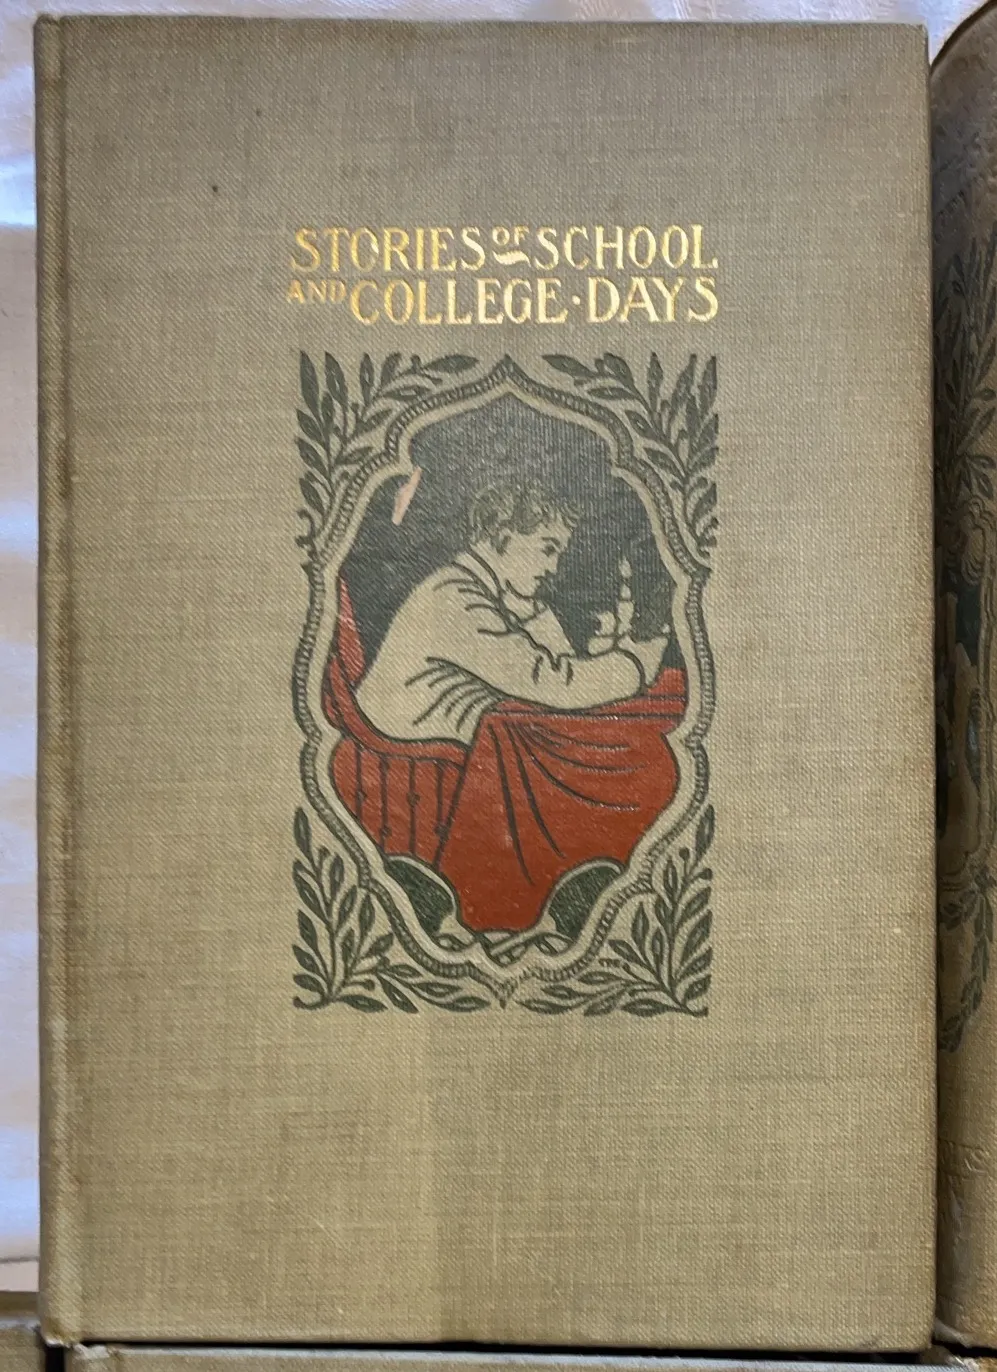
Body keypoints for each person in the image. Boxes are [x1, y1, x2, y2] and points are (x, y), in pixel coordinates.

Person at [354, 478, 670, 746]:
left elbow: (558, 663)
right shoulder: (454, 596)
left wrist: (534, 612)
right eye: (548, 549)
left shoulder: (488, 590)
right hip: (403, 750)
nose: (553, 567)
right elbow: (550, 683)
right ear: (504, 539)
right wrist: (635, 664)